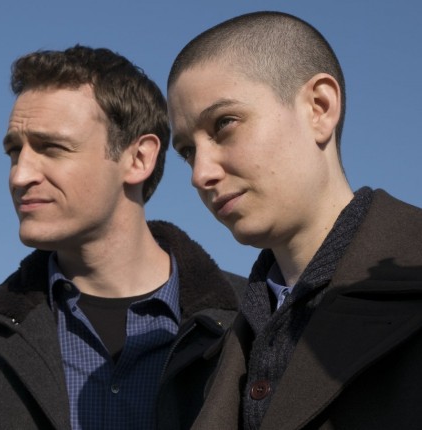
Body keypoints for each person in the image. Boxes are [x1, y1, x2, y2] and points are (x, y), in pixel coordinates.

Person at [0, 45, 245, 430]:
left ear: (138, 158)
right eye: (14, 152)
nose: (20, 176)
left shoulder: (255, 324)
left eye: (51, 148)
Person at [167, 11, 422, 430]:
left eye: (224, 124)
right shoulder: (202, 354)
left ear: (319, 108)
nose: (200, 174)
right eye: (187, 152)